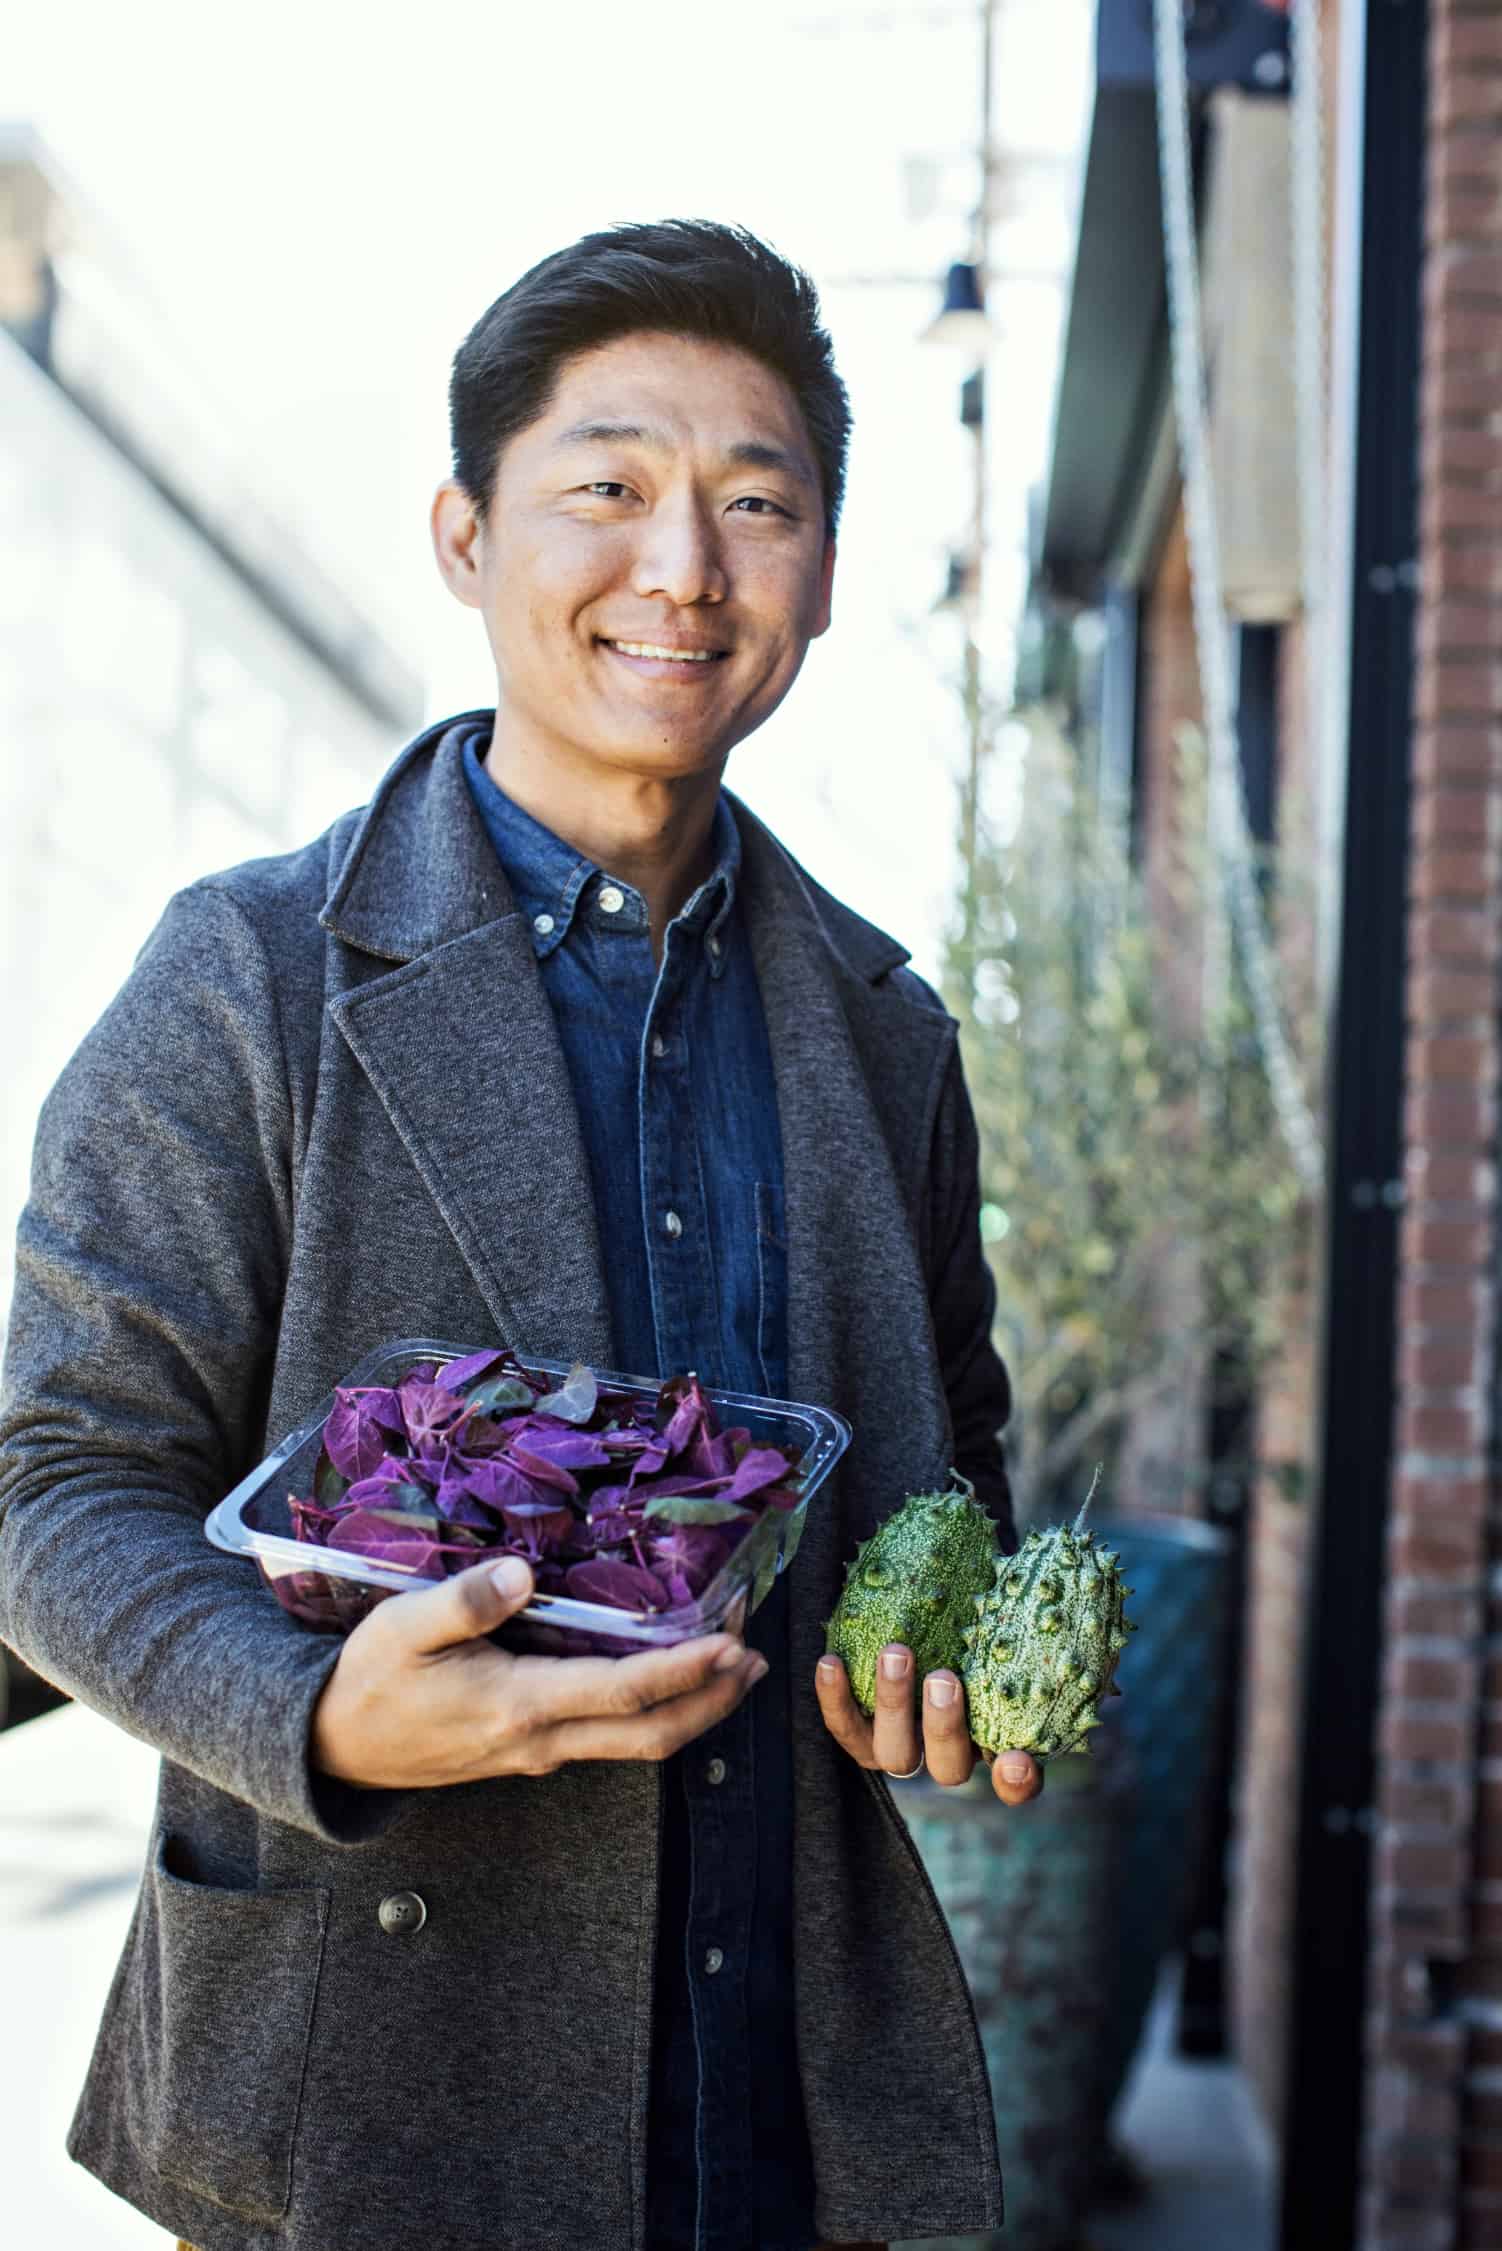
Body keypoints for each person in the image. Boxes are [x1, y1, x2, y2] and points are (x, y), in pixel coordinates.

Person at [0, 220, 1041, 2251]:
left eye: (758, 502)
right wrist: (306, 1707)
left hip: (782, 2115)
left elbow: (945, 1489)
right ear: (468, 537)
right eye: (607, 487)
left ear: (820, 571)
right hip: (374, 2070)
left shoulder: (887, 1034)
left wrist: (942, 1665)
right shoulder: (253, 975)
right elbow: (50, 1481)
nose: (684, 564)